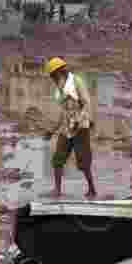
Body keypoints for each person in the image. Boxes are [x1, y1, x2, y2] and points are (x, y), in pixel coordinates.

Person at [44, 57, 97, 199]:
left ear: (59, 72)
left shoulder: (76, 82)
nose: (52, 79)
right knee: (57, 159)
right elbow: (63, 112)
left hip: (80, 128)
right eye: (52, 77)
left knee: (83, 161)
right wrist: (53, 130)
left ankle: (92, 189)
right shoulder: (60, 88)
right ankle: (57, 190)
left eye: (53, 75)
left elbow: (86, 103)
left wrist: (80, 120)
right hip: (66, 129)